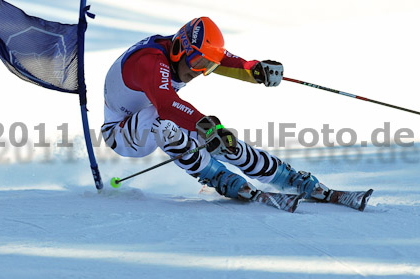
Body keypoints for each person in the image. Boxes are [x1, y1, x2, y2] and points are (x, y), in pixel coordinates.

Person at [101, 17, 339, 209]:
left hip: (160, 117)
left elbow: (225, 59)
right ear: (178, 51)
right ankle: (215, 175)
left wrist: (255, 70)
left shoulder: (185, 53)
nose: (199, 72)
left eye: (207, 67)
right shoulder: (150, 61)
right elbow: (165, 104)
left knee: (216, 136)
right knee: (166, 120)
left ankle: (284, 177)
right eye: (197, 64)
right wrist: (205, 126)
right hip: (123, 134)